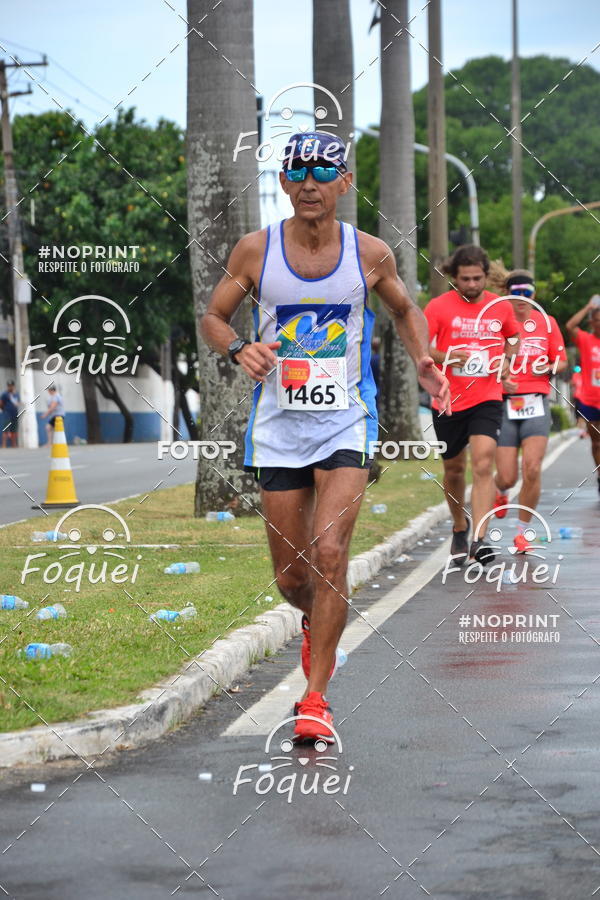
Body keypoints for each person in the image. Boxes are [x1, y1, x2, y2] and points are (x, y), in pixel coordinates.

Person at [200, 132, 450, 743]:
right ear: (283, 183)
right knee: (292, 578)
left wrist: (422, 358)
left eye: (323, 170)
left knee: (331, 553)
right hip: (278, 426)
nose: (309, 182)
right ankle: (318, 625)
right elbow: (212, 316)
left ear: (344, 183)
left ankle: (315, 698)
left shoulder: (369, 253)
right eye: (297, 171)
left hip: (346, 419)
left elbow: (404, 309)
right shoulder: (256, 251)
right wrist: (239, 347)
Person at [424, 245, 520, 565]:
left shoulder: (500, 307)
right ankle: (459, 526)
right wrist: (452, 357)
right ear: (455, 278)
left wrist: (507, 361)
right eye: (465, 279)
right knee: (453, 470)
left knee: (482, 463)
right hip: (448, 398)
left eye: (477, 278)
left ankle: (480, 538)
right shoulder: (438, 307)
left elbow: (513, 338)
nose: (472, 285)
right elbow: (424, 351)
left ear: (485, 276)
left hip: (487, 397)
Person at [493, 271, 567, 551]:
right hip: (504, 405)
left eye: (527, 294)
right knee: (508, 476)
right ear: (507, 296)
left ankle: (523, 532)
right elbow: (487, 360)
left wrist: (547, 368)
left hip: (536, 403)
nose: (521, 299)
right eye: (516, 294)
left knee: (532, 468)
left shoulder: (547, 324)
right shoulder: (498, 325)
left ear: (533, 295)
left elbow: (561, 361)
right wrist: (502, 377)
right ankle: (501, 492)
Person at [566, 298, 600, 493]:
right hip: (589, 400)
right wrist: (587, 306)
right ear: (591, 322)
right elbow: (570, 325)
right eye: (596, 320)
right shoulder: (586, 339)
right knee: (596, 442)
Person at [0, 380, 20, 448]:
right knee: (6, 428)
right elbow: (1, 403)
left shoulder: (16, 394)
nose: (10, 387)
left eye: (11, 386)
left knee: (14, 429)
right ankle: (4, 445)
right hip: (7, 414)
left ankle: (14, 444)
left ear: (13, 386)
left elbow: (17, 403)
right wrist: (4, 410)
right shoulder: (4, 394)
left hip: (15, 414)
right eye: (9, 386)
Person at [571, 366, 588, 438]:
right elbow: (572, 385)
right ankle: (582, 432)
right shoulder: (576, 375)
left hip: (585, 398)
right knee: (580, 416)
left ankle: (584, 431)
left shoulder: (586, 376)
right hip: (579, 398)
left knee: (583, 416)